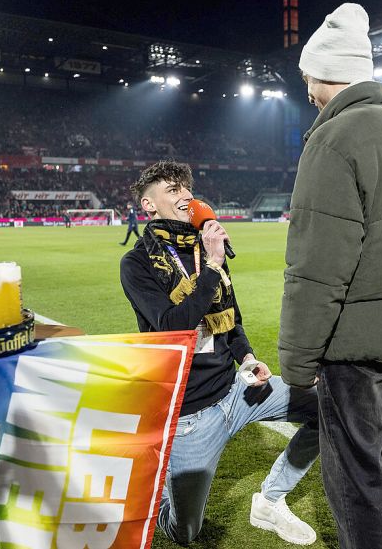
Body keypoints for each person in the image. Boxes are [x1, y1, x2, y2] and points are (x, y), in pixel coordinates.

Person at [278, 4, 382, 549]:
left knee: (356, 474)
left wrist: (299, 361)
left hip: (354, 347)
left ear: (324, 71)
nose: (303, 81)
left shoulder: (332, 141)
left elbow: (316, 268)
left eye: (306, 71)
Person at [120, 160, 319, 546]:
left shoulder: (204, 249)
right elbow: (172, 327)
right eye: (173, 190)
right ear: (149, 205)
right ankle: (156, 487)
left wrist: (247, 358)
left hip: (236, 391)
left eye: (187, 188)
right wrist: (211, 265)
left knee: (327, 408)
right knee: (185, 531)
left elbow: (232, 321)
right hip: (190, 413)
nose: (186, 195)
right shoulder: (138, 263)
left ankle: (270, 501)